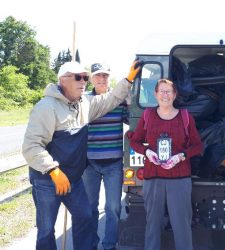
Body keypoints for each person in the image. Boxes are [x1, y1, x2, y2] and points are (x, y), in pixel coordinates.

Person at [22, 60, 141, 250]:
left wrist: (127, 80)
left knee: (85, 217)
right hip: (47, 180)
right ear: (63, 80)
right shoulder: (46, 107)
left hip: (74, 179)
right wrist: (53, 170)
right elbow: (31, 146)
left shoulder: (84, 104)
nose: (83, 82)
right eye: (78, 77)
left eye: (85, 77)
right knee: (46, 229)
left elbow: (110, 100)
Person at [127, 79, 203, 250]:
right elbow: (135, 142)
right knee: (152, 225)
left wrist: (181, 156)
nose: (165, 95)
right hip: (153, 178)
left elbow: (198, 146)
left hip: (179, 179)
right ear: (155, 94)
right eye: (161, 91)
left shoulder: (185, 117)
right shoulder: (148, 115)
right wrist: (147, 152)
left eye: (169, 91)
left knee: (181, 226)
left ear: (175, 95)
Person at [82, 63, 129, 250]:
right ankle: (91, 244)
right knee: (90, 209)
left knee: (113, 208)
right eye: (98, 76)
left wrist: (131, 100)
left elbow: (130, 120)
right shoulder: (84, 101)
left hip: (113, 164)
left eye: (105, 76)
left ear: (110, 79)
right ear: (92, 79)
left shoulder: (118, 100)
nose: (102, 79)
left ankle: (109, 245)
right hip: (89, 164)